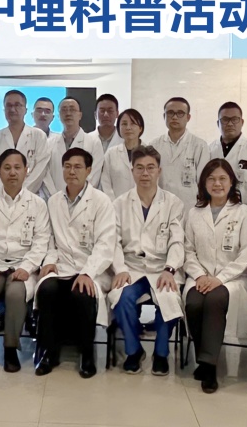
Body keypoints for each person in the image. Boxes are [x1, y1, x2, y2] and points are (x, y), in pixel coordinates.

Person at [36, 148, 117, 378]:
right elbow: (49, 239)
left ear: (89, 170)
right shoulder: (53, 201)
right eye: (67, 166)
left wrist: (88, 272)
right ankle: (50, 352)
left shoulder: (101, 201)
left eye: (78, 167)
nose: (72, 171)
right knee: (46, 289)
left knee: (83, 292)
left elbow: (105, 244)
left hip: (91, 268)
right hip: (62, 266)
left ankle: (86, 354)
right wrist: (49, 261)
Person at [0, 149, 51, 373]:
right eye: (7, 168)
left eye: (17, 168)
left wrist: (27, 267)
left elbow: (41, 241)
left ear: (26, 171)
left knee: (16, 294)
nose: (12, 172)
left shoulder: (37, 204)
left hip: (22, 265)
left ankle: (11, 349)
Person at [108, 146, 185, 377]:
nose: (145, 173)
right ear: (132, 171)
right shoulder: (119, 204)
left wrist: (170, 269)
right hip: (131, 267)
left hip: (162, 267)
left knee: (168, 297)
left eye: (150, 168)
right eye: (139, 168)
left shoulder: (173, 203)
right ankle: (134, 351)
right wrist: (120, 269)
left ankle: (161, 353)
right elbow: (113, 242)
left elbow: (177, 241)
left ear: (159, 171)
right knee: (122, 298)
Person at [183, 159, 247, 393]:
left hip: (233, 279)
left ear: (231, 182)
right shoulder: (194, 213)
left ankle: (209, 366)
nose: (217, 184)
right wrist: (199, 276)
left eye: (222, 178)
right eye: (212, 179)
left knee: (215, 299)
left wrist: (220, 278)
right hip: (201, 276)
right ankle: (204, 357)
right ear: (204, 183)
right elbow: (188, 250)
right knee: (193, 302)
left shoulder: (244, 213)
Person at [0, 90, 50, 195]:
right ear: (4, 109)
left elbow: (39, 171)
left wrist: (20, 195)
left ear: (25, 110)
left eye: (17, 105)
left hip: (30, 197)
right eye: (9, 105)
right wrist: (5, 194)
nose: (12, 109)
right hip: (0, 198)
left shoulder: (39, 136)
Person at [150, 97, 210, 206]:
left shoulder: (200, 146)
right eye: (170, 113)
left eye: (180, 113)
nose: (174, 117)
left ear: (188, 117)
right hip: (160, 206)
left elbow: (204, 183)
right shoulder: (154, 145)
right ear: (164, 116)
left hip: (189, 207)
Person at [209, 102, 247, 206]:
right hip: (215, 210)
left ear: (242, 122)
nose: (230, 124)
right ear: (218, 123)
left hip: (244, 213)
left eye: (235, 119)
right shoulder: (210, 150)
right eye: (225, 120)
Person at [44, 97, 104, 197]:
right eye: (64, 110)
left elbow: (94, 175)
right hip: (55, 199)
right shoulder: (49, 143)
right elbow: (46, 175)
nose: (68, 113)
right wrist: (56, 197)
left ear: (80, 115)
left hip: (84, 200)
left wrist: (77, 196)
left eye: (72, 109)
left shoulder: (93, 142)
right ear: (59, 115)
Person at [101, 108, 145, 200]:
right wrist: (113, 204)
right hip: (116, 204)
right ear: (119, 129)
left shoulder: (149, 153)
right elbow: (106, 182)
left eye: (133, 123)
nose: (128, 127)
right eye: (124, 124)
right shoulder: (111, 153)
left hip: (143, 204)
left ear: (140, 128)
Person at [95, 93, 124, 159]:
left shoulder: (124, 140)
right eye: (102, 111)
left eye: (110, 111)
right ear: (95, 114)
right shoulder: (87, 140)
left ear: (117, 114)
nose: (106, 114)